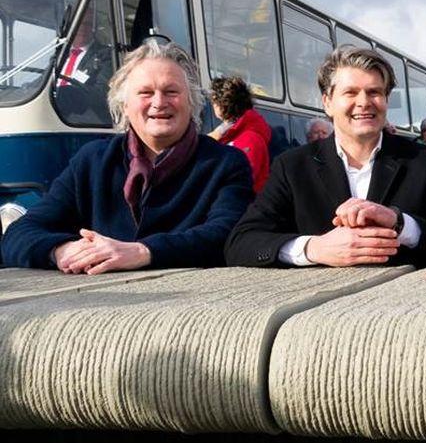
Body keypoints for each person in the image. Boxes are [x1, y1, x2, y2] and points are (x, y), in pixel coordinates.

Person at [1, 40, 254, 272]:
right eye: (145, 93)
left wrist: (142, 252)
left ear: (192, 103)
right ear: (124, 106)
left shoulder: (226, 164)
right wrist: (63, 251)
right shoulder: (93, 161)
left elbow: (229, 235)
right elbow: (19, 233)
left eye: (171, 92)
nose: (158, 102)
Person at [225, 45, 426, 269]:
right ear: (327, 102)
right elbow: (242, 242)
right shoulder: (292, 167)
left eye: (374, 92)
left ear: (386, 100)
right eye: (351, 93)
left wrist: (400, 223)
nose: (364, 102)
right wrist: (314, 248)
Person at [208, 76, 272, 193]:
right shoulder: (227, 132)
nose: (213, 105)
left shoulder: (249, 137)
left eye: (214, 101)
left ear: (223, 103)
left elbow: (243, 179)